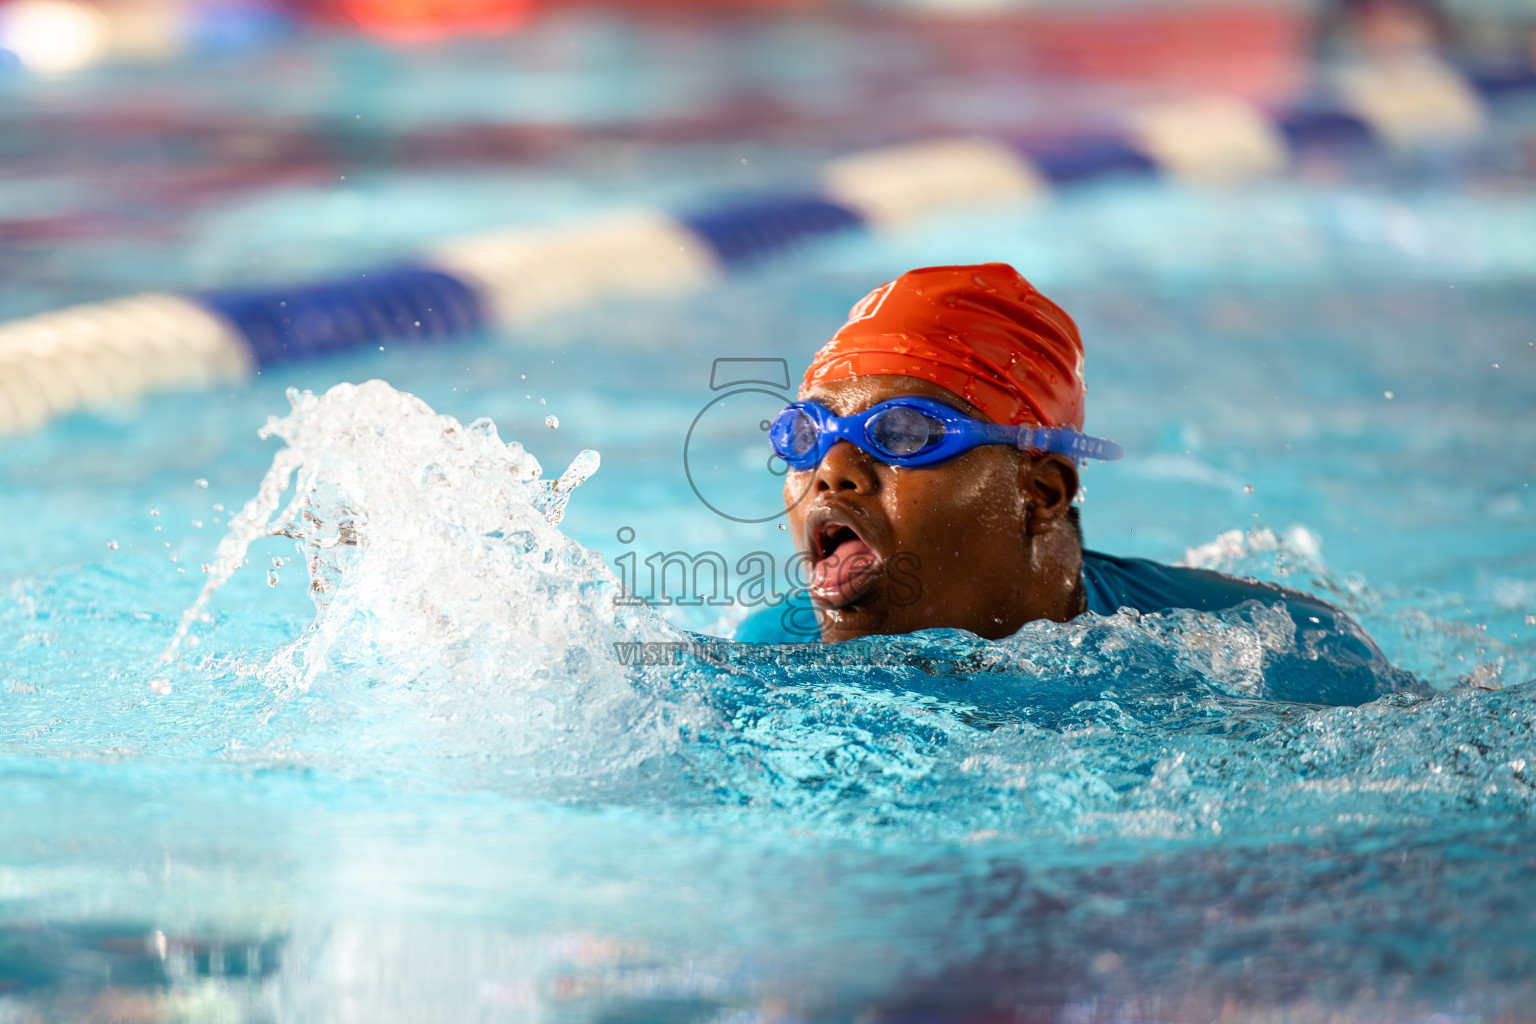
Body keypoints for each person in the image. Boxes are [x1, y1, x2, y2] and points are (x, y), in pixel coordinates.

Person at [734, 263, 1413, 705]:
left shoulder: (1276, 649)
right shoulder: (770, 660)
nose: (831, 468)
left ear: (1043, 492)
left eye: (904, 433)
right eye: (805, 435)